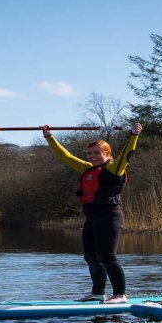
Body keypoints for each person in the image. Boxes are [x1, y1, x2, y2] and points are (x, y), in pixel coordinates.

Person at [41, 122, 143, 304]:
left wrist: (134, 136)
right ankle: (98, 292)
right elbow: (65, 156)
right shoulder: (86, 168)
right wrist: (49, 137)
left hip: (110, 217)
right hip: (92, 219)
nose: (92, 156)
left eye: (97, 153)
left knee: (107, 257)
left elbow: (127, 155)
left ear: (107, 154)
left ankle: (120, 294)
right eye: (90, 153)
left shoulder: (114, 169)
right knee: (90, 256)